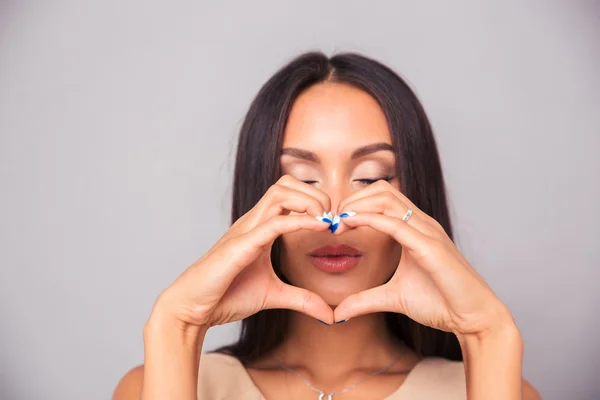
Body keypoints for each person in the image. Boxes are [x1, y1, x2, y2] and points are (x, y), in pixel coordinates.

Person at [112, 51, 541, 400]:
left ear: (416, 199)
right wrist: (178, 325)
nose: (333, 217)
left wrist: (489, 335)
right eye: (301, 181)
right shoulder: (152, 386)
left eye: (371, 178)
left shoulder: (497, 387)